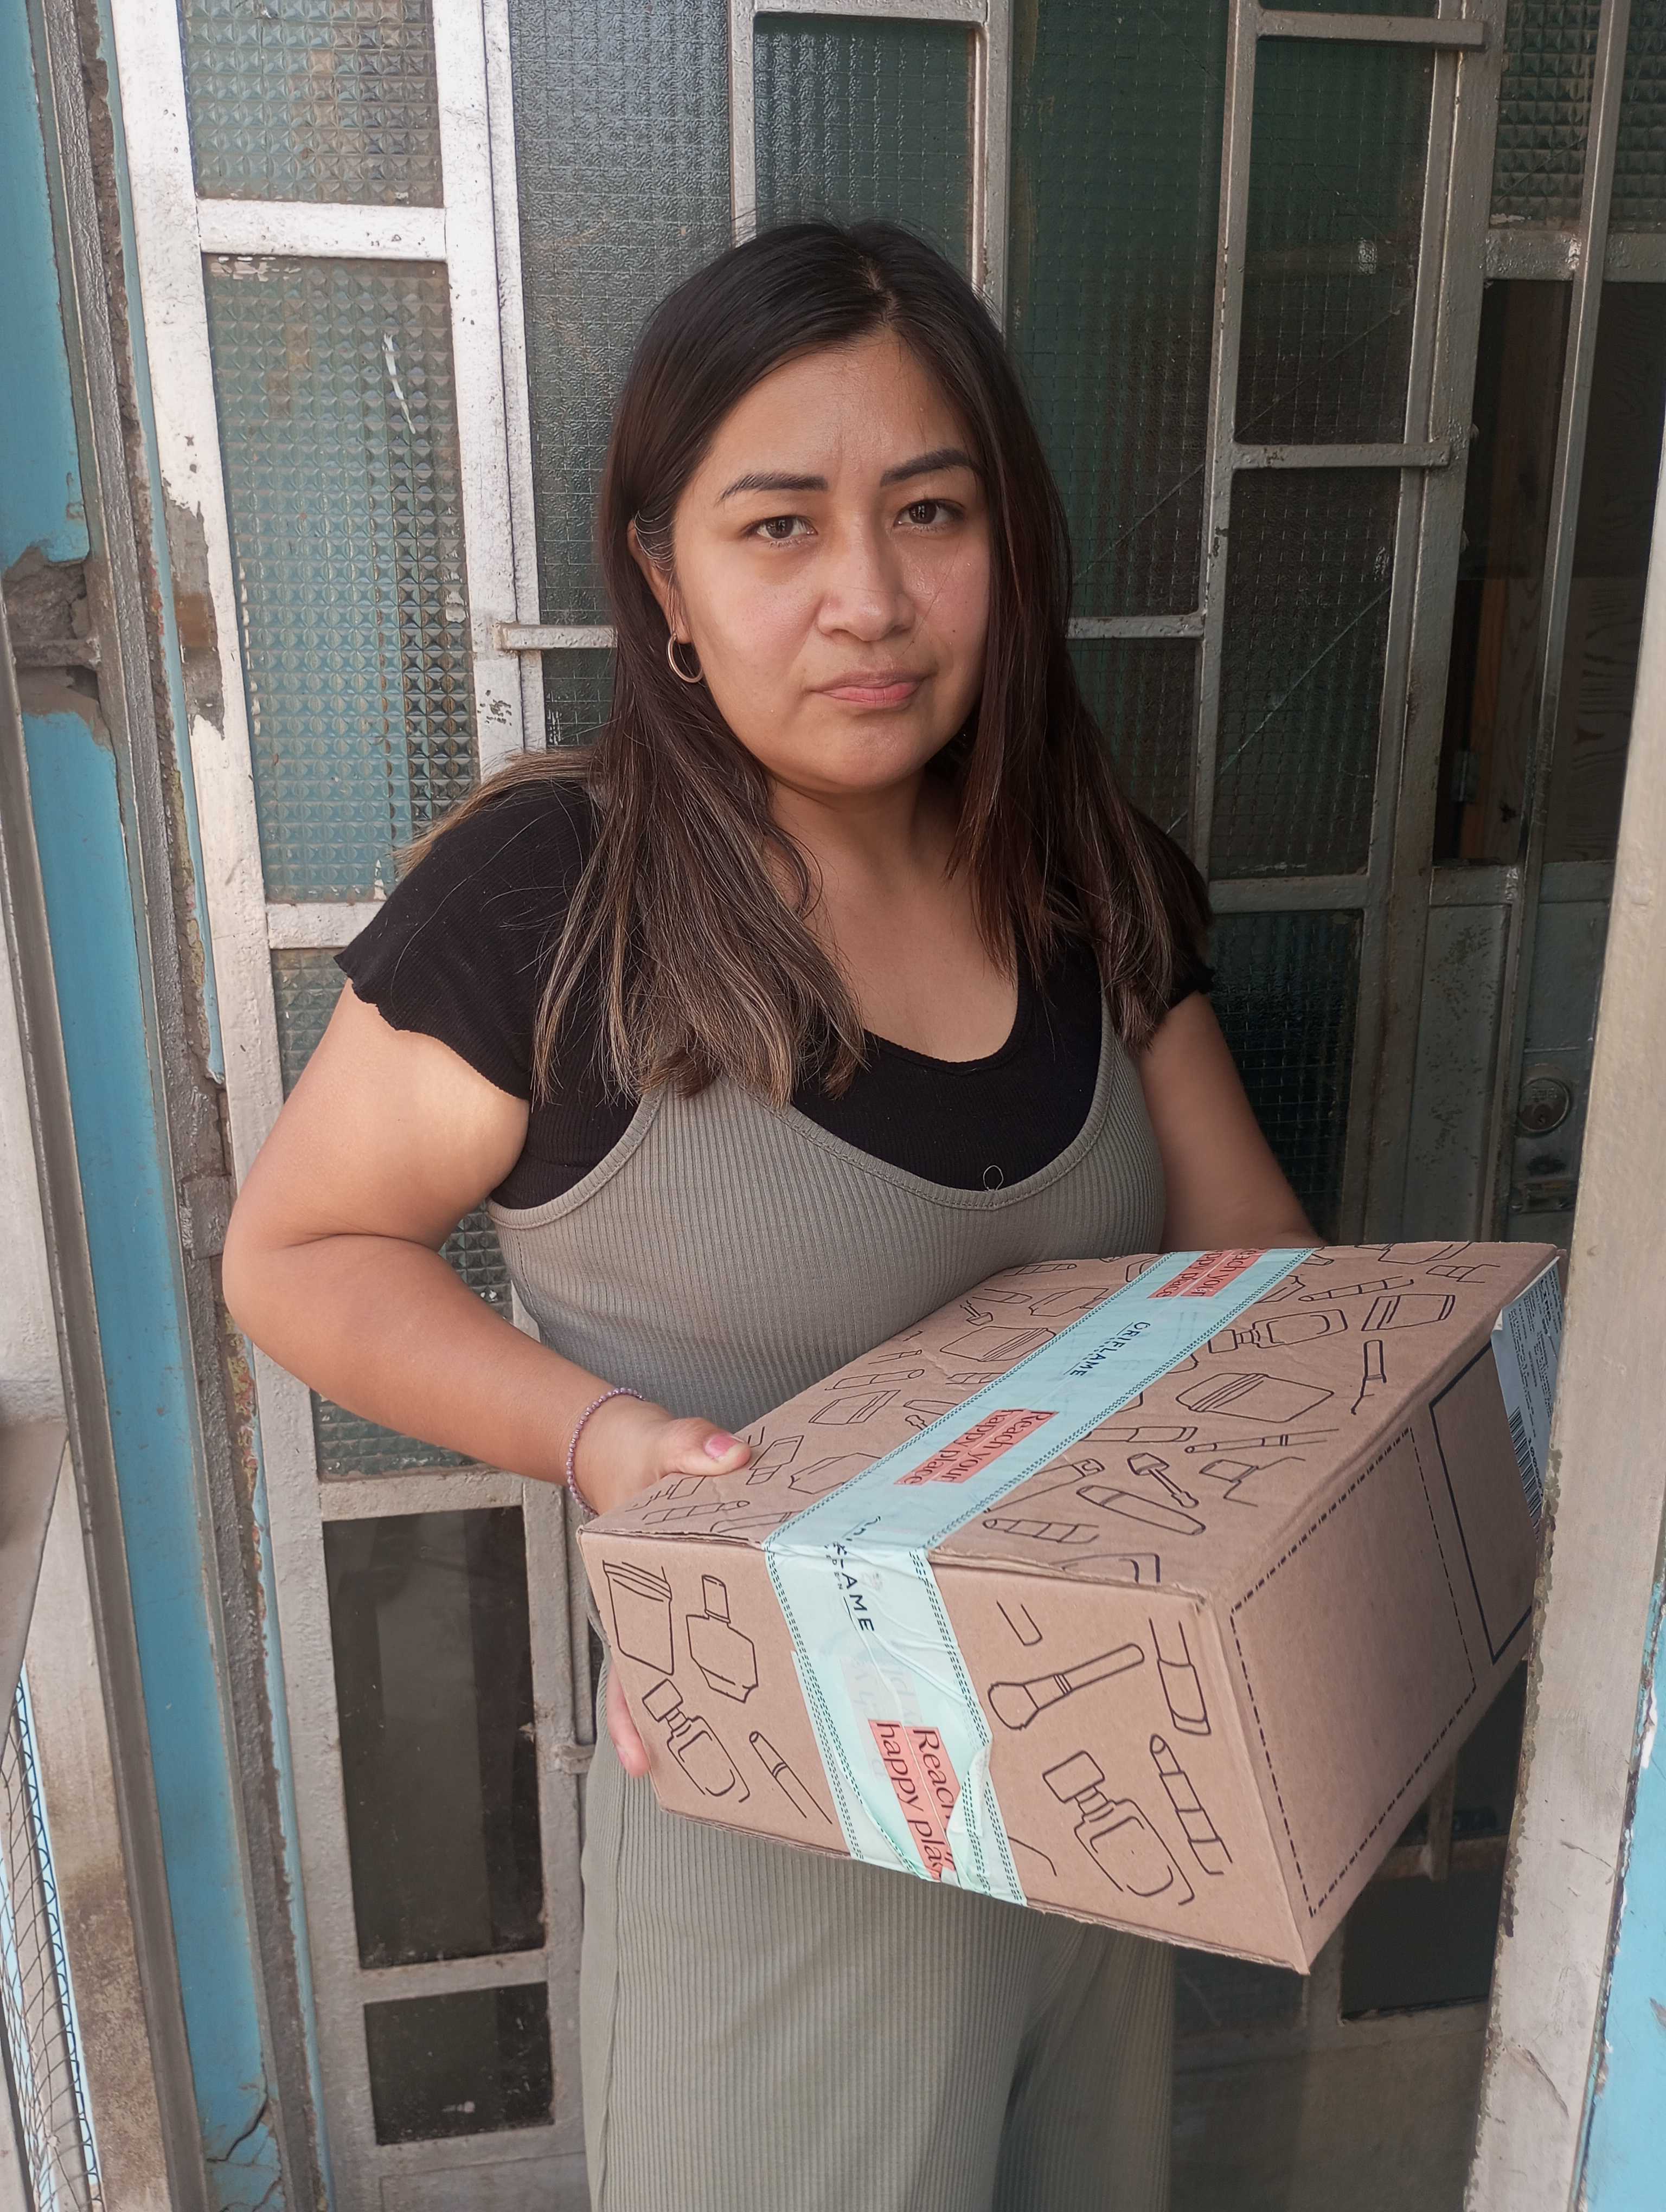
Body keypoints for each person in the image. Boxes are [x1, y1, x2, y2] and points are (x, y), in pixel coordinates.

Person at [224, 219, 1313, 2212]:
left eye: (931, 513)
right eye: (781, 526)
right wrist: (603, 1445)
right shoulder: (554, 902)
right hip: (783, 1843)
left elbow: (1263, 1298)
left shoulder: (1090, 876)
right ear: (664, 575)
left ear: (1010, 542)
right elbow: (295, 1255)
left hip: (1099, 1815)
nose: (869, 601)